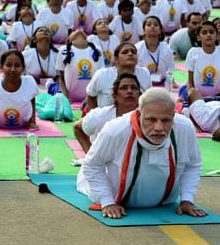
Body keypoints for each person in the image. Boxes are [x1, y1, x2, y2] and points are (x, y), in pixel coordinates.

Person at [79, 88, 206, 219]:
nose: (158, 128)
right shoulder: (115, 130)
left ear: (173, 116)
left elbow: (193, 164)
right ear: (139, 114)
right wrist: (107, 201)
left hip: (164, 203)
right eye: (151, 119)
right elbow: (92, 165)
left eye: (165, 120)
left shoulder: (185, 128)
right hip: (113, 194)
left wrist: (187, 199)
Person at [74, 73, 141, 153]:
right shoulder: (100, 116)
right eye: (124, 88)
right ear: (114, 96)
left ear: (140, 95)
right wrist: (90, 155)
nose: (129, 91)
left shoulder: (147, 117)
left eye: (134, 88)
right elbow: (77, 127)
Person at [0, 50, 39, 130]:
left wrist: (32, 121)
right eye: (8, 65)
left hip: (22, 125)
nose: (12, 69)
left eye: (17, 65)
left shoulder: (29, 81)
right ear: (1, 67)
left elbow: (32, 99)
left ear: (23, 68)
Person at [86, 42, 151, 109]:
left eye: (133, 52)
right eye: (125, 52)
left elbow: (149, 99)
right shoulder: (102, 74)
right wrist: (96, 116)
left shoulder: (145, 73)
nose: (130, 54)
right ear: (116, 59)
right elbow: (91, 96)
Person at [185, 21, 220, 99]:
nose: (208, 35)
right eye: (204, 32)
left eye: (212, 32)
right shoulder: (193, 52)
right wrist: (192, 98)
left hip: (218, 95)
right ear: (198, 37)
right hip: (197, 95)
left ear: (216, 36)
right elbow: (190, 82)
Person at [56, 30, 103, 103]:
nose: (79, 31)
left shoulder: (97, 50)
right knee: (55, 90)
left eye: (81, 32)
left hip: (90, 96)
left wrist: (90, 98)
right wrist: (66, 97)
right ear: (70, 40)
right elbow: (61, 77)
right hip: (69, 94)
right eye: (74, 31)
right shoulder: (63, 50)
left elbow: (100, 77)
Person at [136, 16, 175, 84]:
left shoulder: (167, 49)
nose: (152, 26)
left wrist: (169, 82)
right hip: (141, 84)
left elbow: (170, 69)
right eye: (149, 25)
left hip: (163, 83)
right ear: (143, 31)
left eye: (156, 25)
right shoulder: (137, 48)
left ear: (160, 30)